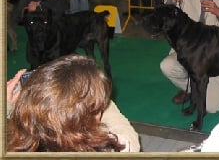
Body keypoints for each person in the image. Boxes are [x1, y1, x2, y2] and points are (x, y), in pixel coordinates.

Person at [6, 54, 140, 152]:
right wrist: (97, 95)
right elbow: (129, 139)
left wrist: (10, 109)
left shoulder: (19, 144)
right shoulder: (113, 148)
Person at [14, 0, 68, 69]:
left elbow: (64, 16)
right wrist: (27, 10)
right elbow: (17, 16)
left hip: (58, 46)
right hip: (38, 49)